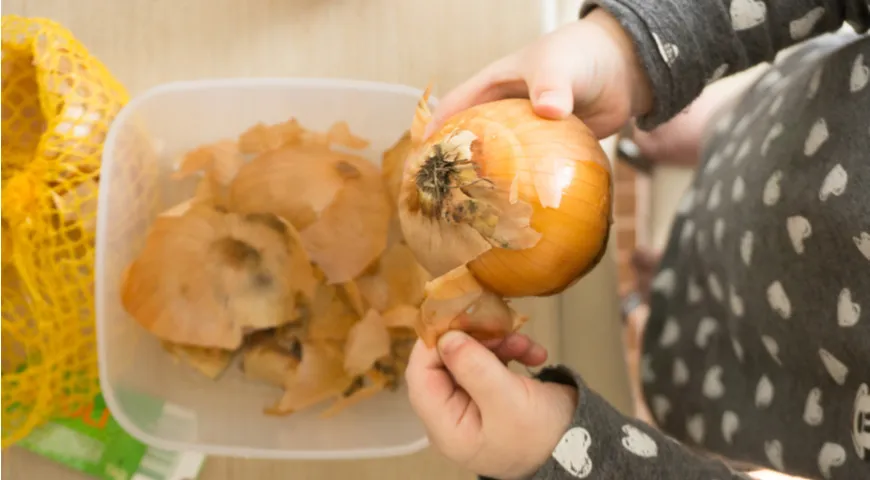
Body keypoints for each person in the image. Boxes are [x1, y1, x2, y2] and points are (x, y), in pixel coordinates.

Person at [404, 1, 870, 479]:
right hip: (786, 130)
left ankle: (672, 303)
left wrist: (567, 450)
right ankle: (716, 133)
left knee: (678, 362)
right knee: (749, 139)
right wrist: (637, 47)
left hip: (744, 377)